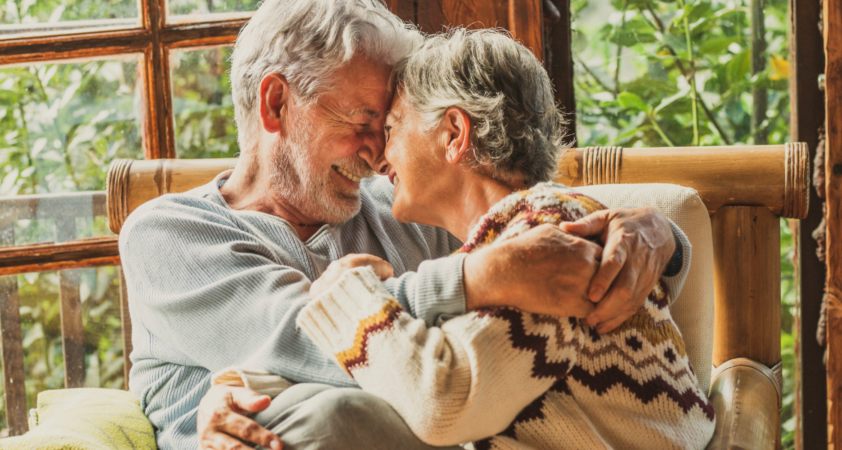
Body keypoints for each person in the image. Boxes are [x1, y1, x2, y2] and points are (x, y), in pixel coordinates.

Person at [117, 1, 688, 449]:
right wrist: (480, 277)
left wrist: (656, 234)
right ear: (275, 104)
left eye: (389, 125)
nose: (376, 154)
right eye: (364, 120)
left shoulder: (404, 209)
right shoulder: (167, 234)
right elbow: (304, 337)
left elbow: (540, 223)